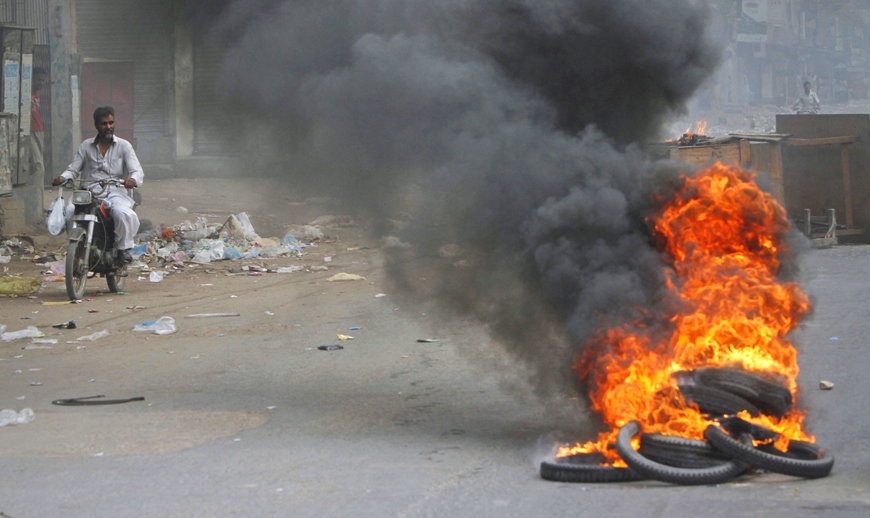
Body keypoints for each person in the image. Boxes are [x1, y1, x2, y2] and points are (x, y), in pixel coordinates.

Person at [52, 106, 144, 265]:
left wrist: (133, 180)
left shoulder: (124, 146)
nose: (108, 127)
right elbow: (73, 169)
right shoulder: (85, 146)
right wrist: (63, 177)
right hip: (90, 193)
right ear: (96, 125)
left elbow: (137, 171)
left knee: (123, 214)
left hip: (116, 193)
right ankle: (77, 245)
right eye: (104, 124)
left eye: (111, 122)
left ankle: (122, 249)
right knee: (70, 211)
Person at [28, 67, 48, 185]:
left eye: (42, 80)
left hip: (39, 130)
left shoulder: (37, 92)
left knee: (37, 165)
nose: (41, 83)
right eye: (38, 80)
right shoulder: (26, 91)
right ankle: (36, 197)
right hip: (29, 131)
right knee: (38, 166)